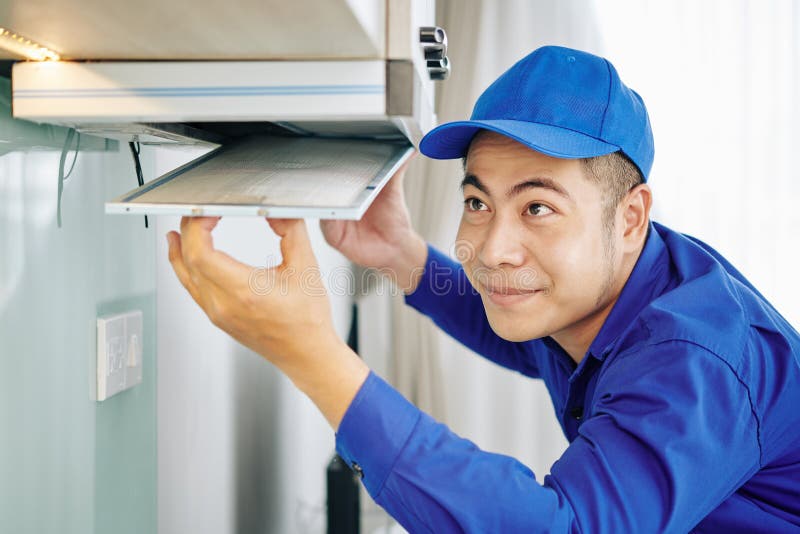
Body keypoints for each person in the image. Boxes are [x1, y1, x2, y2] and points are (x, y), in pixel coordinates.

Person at [165, 46, 800, 532]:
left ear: (630, 216)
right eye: (477, 200)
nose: (493, 249)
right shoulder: (605, 287)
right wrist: (403, 256)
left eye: (538, 208)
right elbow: (522, 329)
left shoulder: (694, 360)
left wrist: (315, 357)